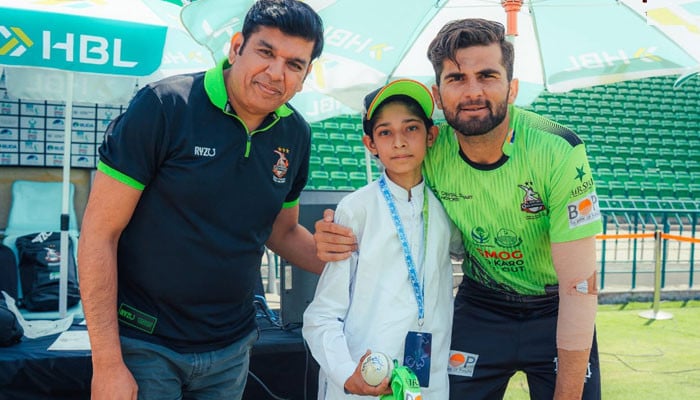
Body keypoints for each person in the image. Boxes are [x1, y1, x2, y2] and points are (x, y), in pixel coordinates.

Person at [314, 18, 602, 400]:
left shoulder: (558, 149)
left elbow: (579, 286)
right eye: (456, 78)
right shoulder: (430, 150)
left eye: (487, 76)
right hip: (482, 303)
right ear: (438, 93)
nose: (472, 92)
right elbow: (389, 198)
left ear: (513, 87)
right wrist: (334, 232)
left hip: (554, 307)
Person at [77, 1, 325, 399]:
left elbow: (282, 231)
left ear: (306, 74)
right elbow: (98, 233)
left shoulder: (295, 133)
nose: (276, 73)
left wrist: (350, 262)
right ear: (237, 47)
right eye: (265, 52)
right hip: (145, 344)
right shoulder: (164, 105)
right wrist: (107, 363)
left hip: (232, 349)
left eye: (294, 64)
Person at [302, 79, 462, 399]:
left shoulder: (448, 207)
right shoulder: (355, 209)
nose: (399, 142)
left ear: (431, 135)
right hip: (361, 379)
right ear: (370, 143)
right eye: (385, 132)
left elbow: (467, 250)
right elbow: (322, 314)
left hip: (427, 381)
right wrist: (347, 375)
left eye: (411, 128)